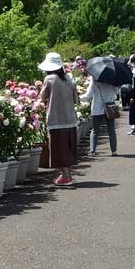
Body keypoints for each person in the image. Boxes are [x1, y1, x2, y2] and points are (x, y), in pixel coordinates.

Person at [39, 52, 78, 186]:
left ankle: (66, 176)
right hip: (71, 118)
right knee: (67, 147)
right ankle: (66, 174)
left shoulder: (49, 79)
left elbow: (43, 98)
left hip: (56, 118)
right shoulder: (69, 78)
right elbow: (76, 99)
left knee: (57, 149)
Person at [80, 76, 118, 157]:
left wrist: (78, 98)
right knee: (111, 130)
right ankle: (114, 151)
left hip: (97, 108)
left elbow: (88, 94)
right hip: (109, 107)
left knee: (95, 130)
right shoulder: (112, 77)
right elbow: (116, 92)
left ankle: (92, 151)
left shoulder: (94, 78)